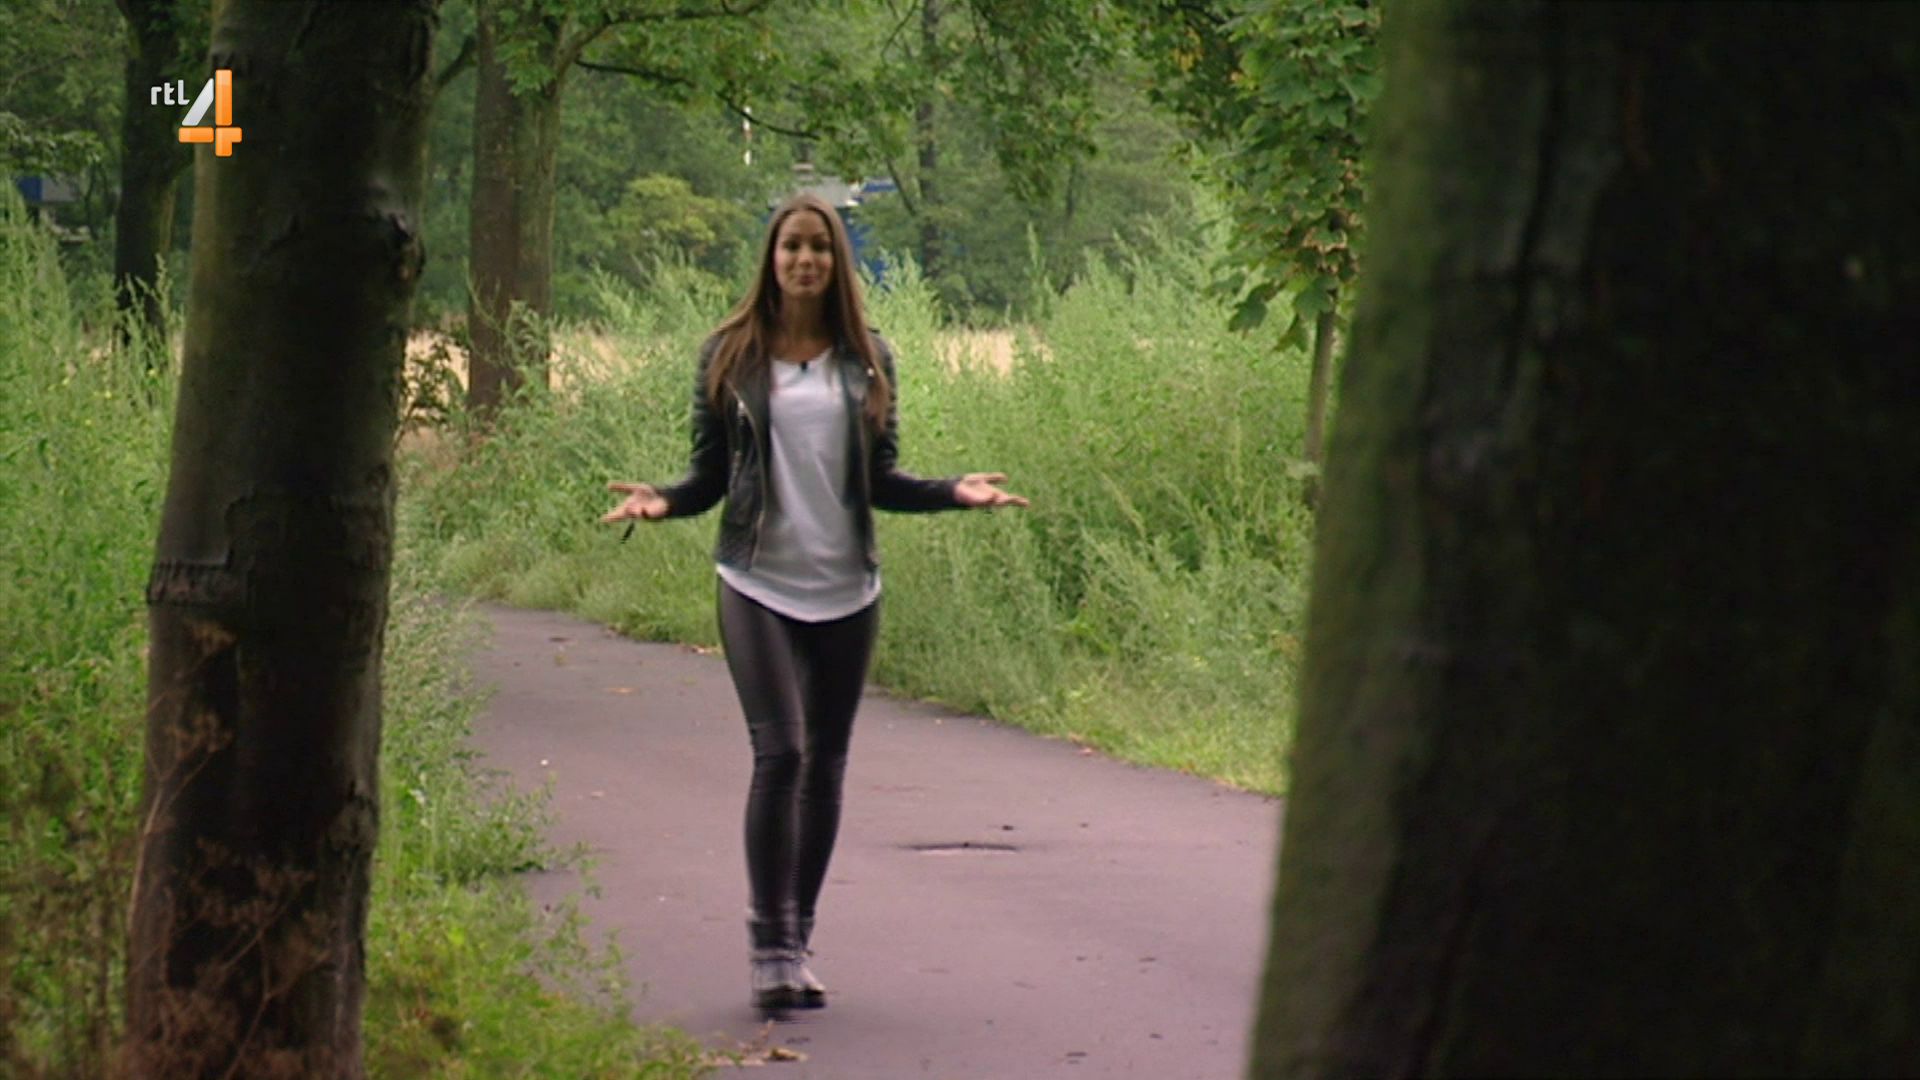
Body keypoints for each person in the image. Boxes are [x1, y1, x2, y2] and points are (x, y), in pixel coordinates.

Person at [601, 192, 1029, 1011]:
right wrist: (663, 500)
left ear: (838, 262)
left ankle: (797, 938)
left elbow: (880, 479)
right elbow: (709, 477)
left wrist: (952, 491)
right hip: (756, 579)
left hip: (847, 587)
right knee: (783, 754)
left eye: (820, 248)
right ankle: (768, 945)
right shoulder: (730, 354)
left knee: (826, 763)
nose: (805, 259)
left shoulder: (867, 358)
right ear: (771, 258)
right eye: (792, 246)